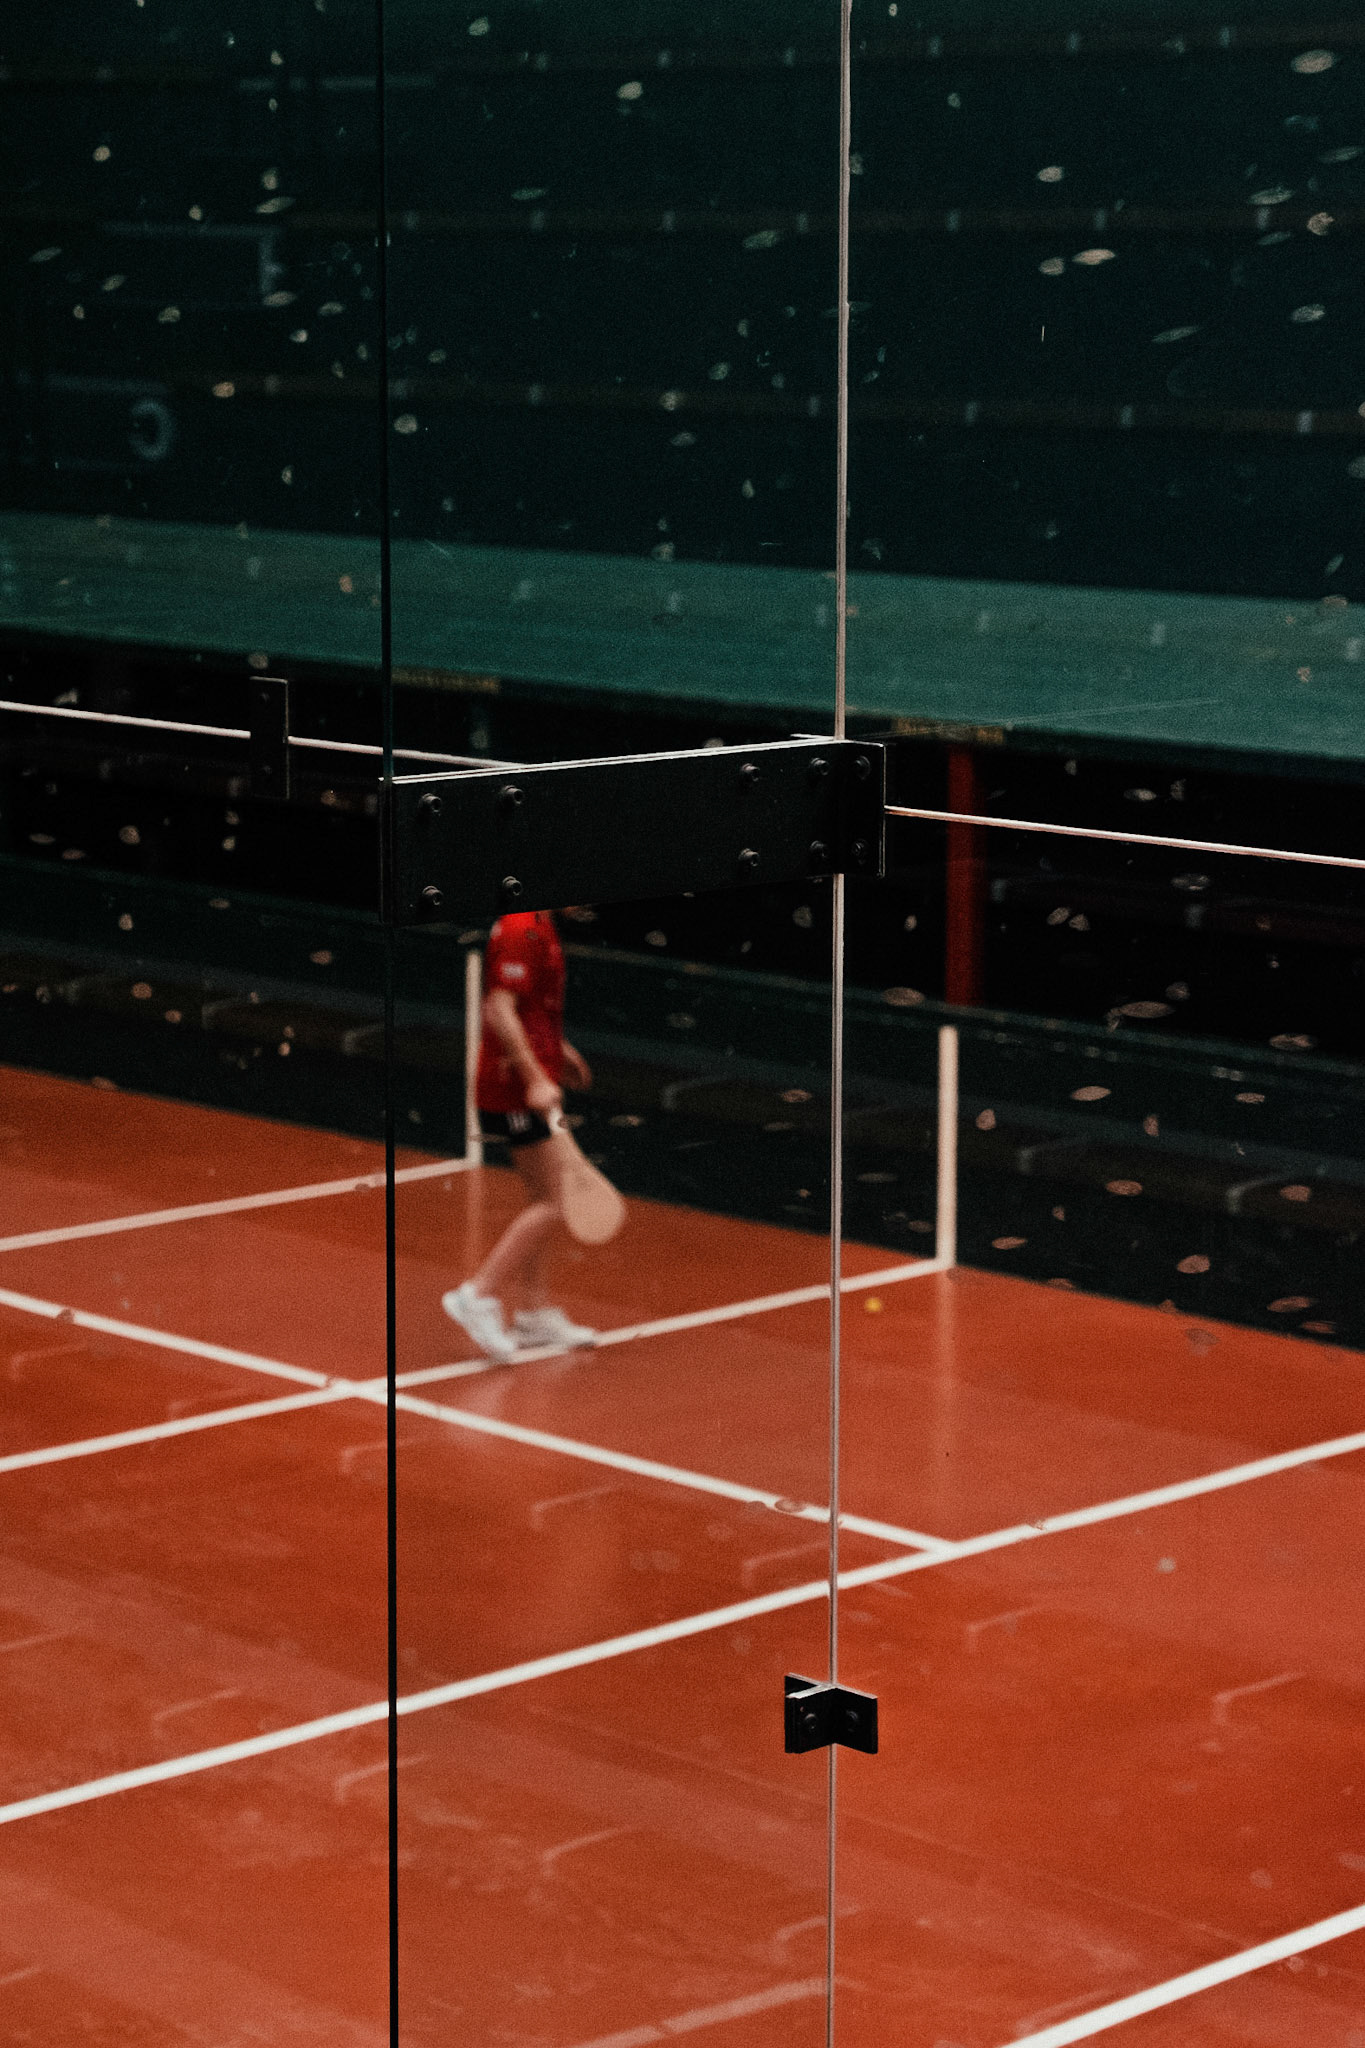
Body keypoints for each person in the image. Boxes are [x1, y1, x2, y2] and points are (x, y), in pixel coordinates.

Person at [443, 908, 597, 1362]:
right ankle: (477, 1295)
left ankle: (533, 1314)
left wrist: (558, 1053)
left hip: (525, 1081)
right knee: (553, 1202)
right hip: (512, 1089)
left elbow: (530, 1009)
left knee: (542, 1198)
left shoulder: (542, 925)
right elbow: (500, 1008)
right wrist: (535, 1077)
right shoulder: (519, 927)